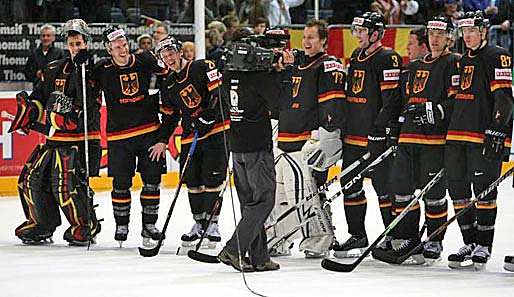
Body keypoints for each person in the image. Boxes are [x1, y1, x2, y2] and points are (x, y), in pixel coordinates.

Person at [372, 16, 460, 265]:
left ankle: (434, 239)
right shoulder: (411, 68)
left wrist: (433, 110)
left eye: (440, 34)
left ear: (449, 38)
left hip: (433, 141)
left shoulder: (453, 63)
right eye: (432, 33)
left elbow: (457, 102)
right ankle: (408, 238)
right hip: (407, 139)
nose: (434, 38)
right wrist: (385, 128)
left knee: (434, 195)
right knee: (401, 191)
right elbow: (397, 103)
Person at [10, 19, 102, 246]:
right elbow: (41, 96)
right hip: (54, 137)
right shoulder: (54, 67)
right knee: (31, 179)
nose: (75, 48)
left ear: (87, 43)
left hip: (80, 140)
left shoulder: (94, 70)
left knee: (67, 183)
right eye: (72, 43)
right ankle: (41, 223)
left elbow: (90, 104)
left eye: (79, 43)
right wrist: (30, 109)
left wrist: (84, 69)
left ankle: (84, 225)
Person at [269, 20, 345, 258]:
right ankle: (279, 238)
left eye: (312, 37)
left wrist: (327, 136)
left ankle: (319, 240)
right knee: (281, 196)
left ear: (324, 40)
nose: (307, 42)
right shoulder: (297, 65)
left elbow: (333, 105)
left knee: (308, 194)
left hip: (308, 141)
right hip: (284, 140)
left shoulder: (328, 65)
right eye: (305, 37)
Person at [445, 11, 513, 270]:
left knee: (485, 193)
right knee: (459, 193)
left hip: (482, 137)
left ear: (483, 31)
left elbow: (505, 99)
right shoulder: (462, 60)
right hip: (457, 136)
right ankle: (469, 242)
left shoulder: (496, 56)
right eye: (464, 32)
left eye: (472, 31)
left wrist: (498, 129)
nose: (468, 36)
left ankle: (484, 245)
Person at [332, 12, 402, 258]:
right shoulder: (355, 56)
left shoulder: (388, 58)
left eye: (362, 31)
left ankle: (392, 235)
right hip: (353, 136)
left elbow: (392, 101)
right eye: (357, 30)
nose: (358, 35)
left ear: (375, 33)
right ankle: (358, 235)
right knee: (349, 184)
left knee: (384, 188)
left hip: (376, 138)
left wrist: (383, 131)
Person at [216, 28, 286, 272]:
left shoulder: (228, 74)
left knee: (249, 204)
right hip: (257, 147)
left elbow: (225, 101)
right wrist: (279, 73)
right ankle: (233, 249)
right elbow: (279, 105)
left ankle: (260, 257)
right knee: (265, 200)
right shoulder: (259, 77)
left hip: (237, 146)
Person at [92, 27, 167, 247]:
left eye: (124, 44)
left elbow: (168, 77)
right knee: (121, 183)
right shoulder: (101, 68)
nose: (122, 49)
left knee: (152, 181)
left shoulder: (145, 60)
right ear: (109, 49)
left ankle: (150, 225)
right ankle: (121, 224)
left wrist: (167, 103)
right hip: (119, 136)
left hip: (148, 131)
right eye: (116, 46)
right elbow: (87, 90)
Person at [155, 36, 229, 249]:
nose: (169, 58)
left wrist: (209, 115)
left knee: (212, 179)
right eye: (164, 55)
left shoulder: (203, 66)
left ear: (179, 51)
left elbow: (219, 93)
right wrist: (162, 140)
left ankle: (212, 225)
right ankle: (199, 223)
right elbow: (170, 117)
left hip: (216, 131)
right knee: (193, 182)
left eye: (171, 52)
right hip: (190, 135)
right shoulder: (168, 83)